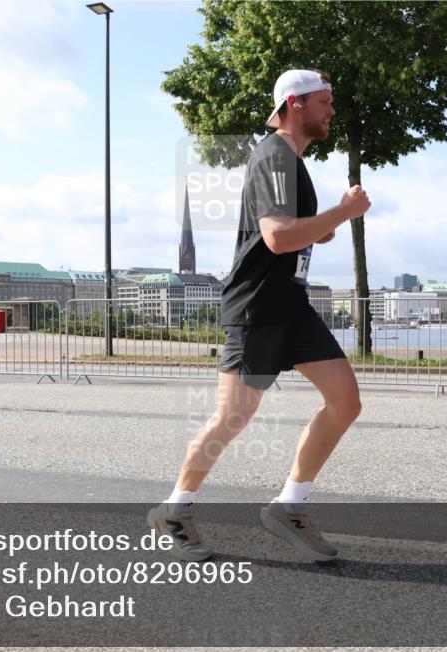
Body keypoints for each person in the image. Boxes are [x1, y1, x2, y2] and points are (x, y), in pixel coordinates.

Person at [148, 69, 371, 562]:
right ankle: (174, 510)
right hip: (257, 308)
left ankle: (289, 506)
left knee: (345, 400)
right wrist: (342, 213)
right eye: (324, 101)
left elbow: (289, 233)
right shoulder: (274, 155)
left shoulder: (293, 161)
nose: (332, 109)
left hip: (292, 306)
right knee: (232, 417)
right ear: (295, 104)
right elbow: (276, 237)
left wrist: (319, 228)